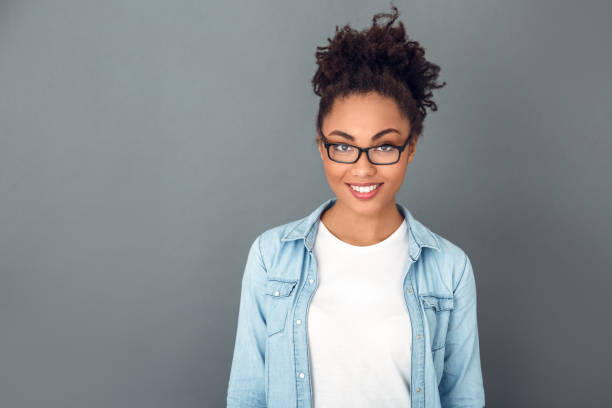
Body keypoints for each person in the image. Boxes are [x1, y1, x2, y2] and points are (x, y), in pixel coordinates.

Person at [227, 5, 485, 408]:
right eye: (343, 146)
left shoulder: (450, 269)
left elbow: (463, 398)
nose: (362, 169)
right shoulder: (270, 257)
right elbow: (248, 395)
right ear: (321, 146)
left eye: (384, 145)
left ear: (411, 147)